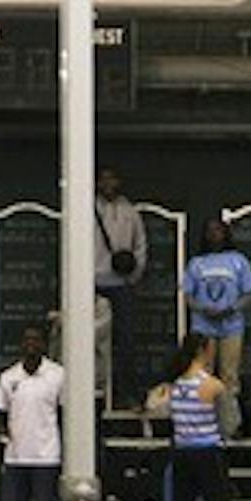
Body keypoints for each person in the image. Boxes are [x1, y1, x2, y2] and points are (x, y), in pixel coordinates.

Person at [0, 324, 64, 501]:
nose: (31, 344)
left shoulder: (58, 375)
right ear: (21, 344)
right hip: (15, 459)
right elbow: (0, 416)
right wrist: (3, 431)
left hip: (47, 458)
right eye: (27, 339)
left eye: (36, 340)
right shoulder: (8, 377)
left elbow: (65, 414)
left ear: (44, 345)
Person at [165, 333, 232, 501]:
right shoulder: (212, 385)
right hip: (208, 450)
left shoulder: (174, 384)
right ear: (203, 351)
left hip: (183, 450)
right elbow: (230, 423)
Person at [181, 217, 251, 393]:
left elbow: (250, 294)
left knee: (229, 375)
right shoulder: (196, 263)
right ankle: (202, 416)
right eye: (209, 231)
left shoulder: (238, 260)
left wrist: (232, 309)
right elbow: (187, 296)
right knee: (201, 374)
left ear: (225, 233)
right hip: (203, 326)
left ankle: (229, 419)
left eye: (218, 230)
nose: (214, 234)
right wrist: (202, 309)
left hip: (231, 325)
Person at [94, 167, 147, 407]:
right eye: (103, 179)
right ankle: (94, 392)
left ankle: (128, 394)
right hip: (93, 283)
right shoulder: (87, 209)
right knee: (92, 341)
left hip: (122, 283)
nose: (108, 183)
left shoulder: (130, 211)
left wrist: (133, 275)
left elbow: (141, 245)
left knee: (126, 340)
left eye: (112, 178)